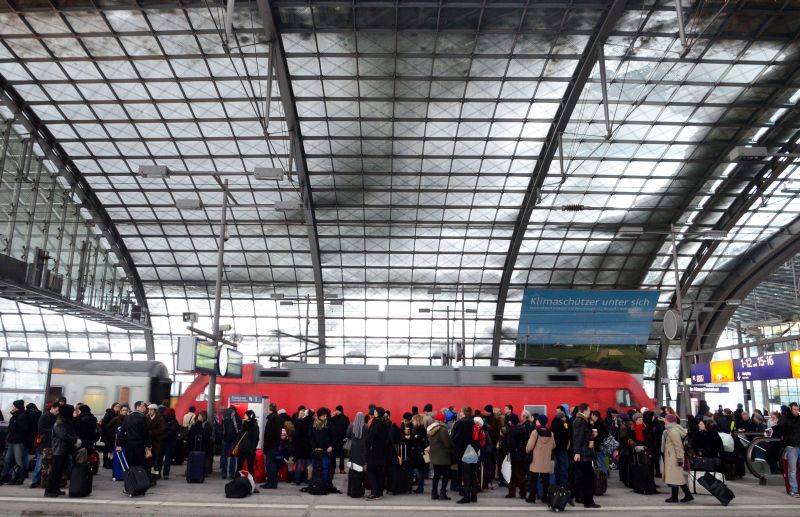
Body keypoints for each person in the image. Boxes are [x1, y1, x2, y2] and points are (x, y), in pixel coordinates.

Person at [44, 405, 79, 497]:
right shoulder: (59, 423)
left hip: (64, 450)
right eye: (71, 411)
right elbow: (64, 436)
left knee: (59, 472)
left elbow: (70, 433)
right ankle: (49, 491)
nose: (72, 413)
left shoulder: (65, 422)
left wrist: (75, 438)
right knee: (55, 471)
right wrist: (75, 440)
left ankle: (55, 489)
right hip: (58, 450)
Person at [572, 403, 600, 509]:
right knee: (588, 478)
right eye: (589, 410)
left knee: (585, 477)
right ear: (585, 411)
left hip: (585, 454)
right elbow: (577, 438)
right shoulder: (580, 421)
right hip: (583, 454)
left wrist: (592, 435)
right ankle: (586, 501)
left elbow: (583, 436)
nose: (590, 412)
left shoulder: (582, 421)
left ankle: (585, 500)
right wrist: (577, 452)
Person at [662, 414, 693, 503]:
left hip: (674, 457)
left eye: (665, 419)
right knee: (678, 478)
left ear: (669, 421)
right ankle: (688, 495)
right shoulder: (673, 429)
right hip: (672, 456)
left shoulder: (673, 432)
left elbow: (678, 446)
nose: (664, 420)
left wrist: (679, 458)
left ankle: (675, 497)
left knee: (674, 477)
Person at [526, 414, 555, 504]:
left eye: (537, 420)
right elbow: (554, 446)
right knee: (546, 481)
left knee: (533, 480)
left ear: (540, 422)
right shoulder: (551, 433)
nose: (536, 421)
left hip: (535, 460)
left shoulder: (535, 432)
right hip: (546, 460)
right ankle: (545, 498)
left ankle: (532, 498)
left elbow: (529, 446)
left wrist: (527, 451)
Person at [0, 400, 30, 485]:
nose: (12, 407)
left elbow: (23, 430)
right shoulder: (15, 416)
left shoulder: (22, 416)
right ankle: (4, 477)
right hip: (12, 441)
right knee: (7, 459)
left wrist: (14, 432)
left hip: (18, 441)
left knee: (18, 460)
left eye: (13, 406)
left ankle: (18, 478)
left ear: (17, 407)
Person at [117, 401, 151, 471]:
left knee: (130, 463)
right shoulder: (143, 417)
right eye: (143, 406)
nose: (145, 407)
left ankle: (130, 479)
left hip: (128, 444)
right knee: (138, 464)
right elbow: (145, 433)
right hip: (139, 445)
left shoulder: (127, 417)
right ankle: (137, 479)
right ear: (137, 407)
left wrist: (119, 444)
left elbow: (122, 431)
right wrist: (148, 445)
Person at [503, 413, 529, 500]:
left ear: (511, 422)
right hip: (521, 455)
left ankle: (516, 492)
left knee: (514, 474)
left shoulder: (510, 431)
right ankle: (521, 492)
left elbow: (508, 444)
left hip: (513, 456)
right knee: (518, 474)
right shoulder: (523, 430)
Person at [426, 413, 453, 500]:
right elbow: (448, 443)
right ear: (442, 420)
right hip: (443, 457)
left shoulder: (431, 429)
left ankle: (434, 493)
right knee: (445, 475)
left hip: (435, 456)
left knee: (436, 476)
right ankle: (443, 493)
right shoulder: (443, 430)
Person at [365, 407, 389, 500]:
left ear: (378, 413)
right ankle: (379, 491)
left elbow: (371, 436)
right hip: (382, 451)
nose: (374, 413)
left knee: (371, 471)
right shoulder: (384, 422)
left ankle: (374, 492)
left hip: (373, 451)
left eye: (375, 411)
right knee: (379, 472)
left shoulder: (376, 422)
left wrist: (367, 444)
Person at [402, 414, 427, 494]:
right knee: (419, 469)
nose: (412, 422)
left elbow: (415, 440)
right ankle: (420, 486)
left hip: (416, 452)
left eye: (413, 420)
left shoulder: (418, 429)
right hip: (419, 452)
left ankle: (420, 487)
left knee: (417, 469)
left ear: (416, 420)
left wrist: (409, 437)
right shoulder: (421, 428)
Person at [780, 402, 800, 497]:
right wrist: (786, 413)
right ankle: (793, 489)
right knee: (792, 470)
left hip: (798, 445)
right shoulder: (786, 418)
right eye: (794, 409)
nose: (796, 411)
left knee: (794, 470)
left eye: (797, 409)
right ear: (790, 409)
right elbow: (782, 426)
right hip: (791, 447)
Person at [261, 404, 282, 489]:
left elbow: (269, 435)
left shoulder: (272, 419)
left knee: (270, 464)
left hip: (271, 446)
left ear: (270, 410)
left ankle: (271, 483)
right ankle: (272, 482)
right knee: (272, 464)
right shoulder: (276, 417)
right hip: (274, 445)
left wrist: (266, 446)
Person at [187, 410, 213, 474]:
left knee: (204, 458)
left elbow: (205, 435)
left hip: (203, 445)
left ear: (204, 417)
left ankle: (204, 471)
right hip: (198, 445)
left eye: (200, 416)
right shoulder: (197, 424)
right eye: (198, 416)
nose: (199, 417)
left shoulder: (206, 425)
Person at [220, 405, 241, 480]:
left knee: (224, 456)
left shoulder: (224, 416)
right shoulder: (237, 416)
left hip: (225, 439)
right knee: (232, 457)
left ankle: (224, 473)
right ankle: (231, 474)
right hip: (234, 439)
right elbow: (240, 428)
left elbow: (221, 428)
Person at [293, 408, 314, 484]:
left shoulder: (300, 421)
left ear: (307, 414)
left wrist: (294, 443)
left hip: (300, 445)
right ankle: (307, 479)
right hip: (309, 446)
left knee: (299, 463)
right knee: (308, 464)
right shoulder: (313, 422)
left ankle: (297, 480)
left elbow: (296, 434)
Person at [236, 410, 260, 474]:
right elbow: (239, 437)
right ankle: (238, 480)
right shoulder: (243, 425)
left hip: (249, 450)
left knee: (250, 467)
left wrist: (253, 449)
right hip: (242, 449)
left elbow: (256, 439)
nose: (244, 416)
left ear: (249, 416)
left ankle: (251, 480)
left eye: (246, 415)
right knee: (239, 466)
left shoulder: (255, 427)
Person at [550, 410, 570, 487]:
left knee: (557, 465)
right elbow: (566, 434)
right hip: (561, 448)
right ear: (561, 417)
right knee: (564, 464)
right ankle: (563, 482)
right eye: (564, 416)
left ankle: (557, 481)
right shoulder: (561, 425)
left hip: (555, 448)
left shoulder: (554, 423)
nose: (565, 418)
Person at [146, 404, 165, 479]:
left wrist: (151, 432)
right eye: (149, 410)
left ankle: (156, 474)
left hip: (157, 442)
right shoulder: (146, 418)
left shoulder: (160, 418)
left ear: (155, 411)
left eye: (151, 410)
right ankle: (149, 474)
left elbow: (162, 429)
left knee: (156, 459)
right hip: (148, 442)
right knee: (149, 459)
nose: (149, 411)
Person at [330, 405, 350, 475]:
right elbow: (348, 429)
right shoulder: (345, 418)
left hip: (335, 439)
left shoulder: (334, 418)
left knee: (334, 454)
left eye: (336, 410)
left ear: (338, 410)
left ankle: (333, 469)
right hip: (341, 439)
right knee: (341, 455)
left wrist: (331, 416)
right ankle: (341, 469)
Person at [161, 408, 179, 480]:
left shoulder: (162, 420)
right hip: (170, 442)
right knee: (168, 459)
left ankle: (157, 473)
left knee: (159, 458)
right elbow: (173, 432)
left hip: (162, 441)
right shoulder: (174, 421)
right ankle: (166, 474)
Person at [590, 410, 610, 477]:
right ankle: (605, 474)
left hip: (599, 446)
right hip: (603, 445)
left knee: (601, 462)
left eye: (592, 415)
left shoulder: (598, 424)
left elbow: (597, 436)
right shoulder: (602, 422)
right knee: (603, 460)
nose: (591, 417)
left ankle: (603, 477)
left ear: (595, 416)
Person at [101, 403, 120, 468]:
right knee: (106, 450)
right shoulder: (109, 413)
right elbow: (104, 424)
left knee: (111, 450)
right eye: (116, 406)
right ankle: (105, 463)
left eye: (119, 406)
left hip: (113, 435)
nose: (118, 407)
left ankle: (110, 463)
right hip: (108, 435)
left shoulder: (117, 414)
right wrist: (108, 432)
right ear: (113, 407)